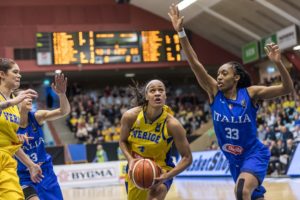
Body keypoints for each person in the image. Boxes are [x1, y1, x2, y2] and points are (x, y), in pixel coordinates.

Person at [168, 4, 294, 200]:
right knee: (253, 197)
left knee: (241, 190)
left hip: (253, 154)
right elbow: (195, 63)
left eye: (224, 73)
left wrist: (278, 63)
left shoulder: (251, 94)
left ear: (236, 78)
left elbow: (287, 89)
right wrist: (181, 32)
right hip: (233, 159)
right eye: (218, 73)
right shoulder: (213, 93)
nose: (218, 77)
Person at [119, 79, 192, 200]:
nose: (157, 93)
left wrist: (167, 176)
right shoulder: (130, 116)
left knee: (155, 195)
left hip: (161, 169)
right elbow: (122, 141)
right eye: (152, 91)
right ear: (146, 96)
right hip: (136, 166)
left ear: (165, 96)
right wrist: (130, 160)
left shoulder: (173, 124)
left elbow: (187, 157)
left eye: (161, 90)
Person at [16, 73, 70, 200]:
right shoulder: (9, 126)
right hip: (23, 175)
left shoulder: (36, 116)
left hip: (45, 172)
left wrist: (62, 95)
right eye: (24, 98)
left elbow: (63, 111)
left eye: (29, 97)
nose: (29, 99)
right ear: (15, 102)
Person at [0, 58, 43, 200]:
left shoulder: (14, 107)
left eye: (20, 72)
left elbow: (11, 142)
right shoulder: (13, 102)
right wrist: (12, 102)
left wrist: (31, 165)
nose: (19, 75)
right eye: (15, 72)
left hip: (6, 162)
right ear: (2, 74)